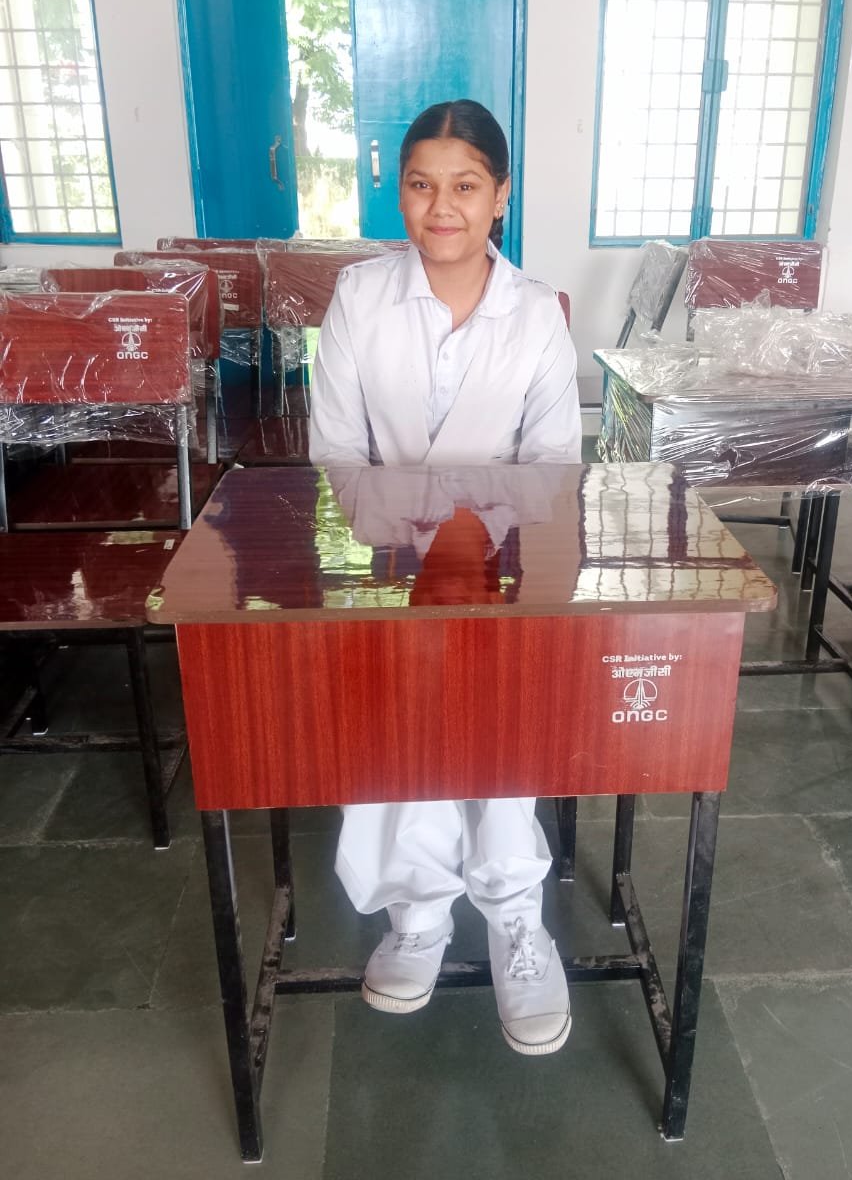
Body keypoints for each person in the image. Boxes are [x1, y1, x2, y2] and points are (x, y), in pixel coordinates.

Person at [309, 98, 582, 1056]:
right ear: (401, 194)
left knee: (498, 722)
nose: (442, 207)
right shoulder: (359, 298)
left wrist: (470, 534)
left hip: (500, 565)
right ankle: (419, 910)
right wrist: (413, 538)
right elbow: (336, 451)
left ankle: (515, 916)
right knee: (399, 723)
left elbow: (553, 465)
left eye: (466, 185)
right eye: (422, 185)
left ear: (500, 196)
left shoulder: (536, 313)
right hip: (382, 559)